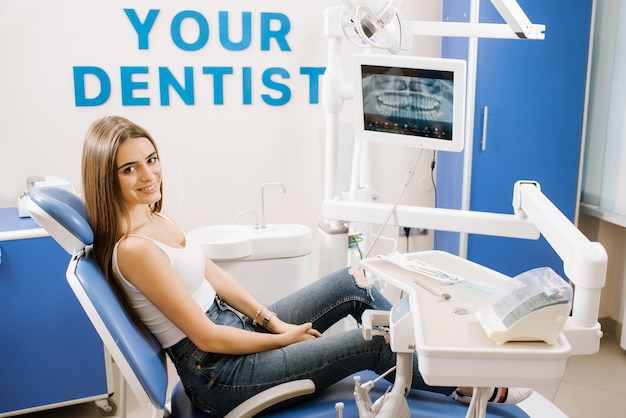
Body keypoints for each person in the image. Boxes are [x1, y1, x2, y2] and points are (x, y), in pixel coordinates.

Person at [81, 116, 531, 417]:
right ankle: (465, 385)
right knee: (372, 344)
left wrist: (270, 320)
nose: (148, 176)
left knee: (352, 283)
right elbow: (206, 336)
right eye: (130, 170)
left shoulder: (155, 216)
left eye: (152, 160)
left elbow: (215, 276)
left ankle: (433, 354)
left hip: (233, 331)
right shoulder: (134, 249)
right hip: (217, 373)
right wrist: (286, 337)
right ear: (107, 177)